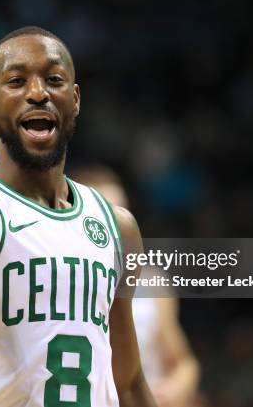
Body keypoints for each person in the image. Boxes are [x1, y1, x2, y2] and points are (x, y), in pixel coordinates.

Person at [0, 26, 155, 407]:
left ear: (75, 99)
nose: (37, 93)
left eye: (53, 80)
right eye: (17, 81)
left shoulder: (118, 227)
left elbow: (129, 380)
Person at [71, 167, 200, 407]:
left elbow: (183, 363)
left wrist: (174, 390)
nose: (117, 225)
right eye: (105, 215)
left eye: (122, 212)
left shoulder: (152, 282)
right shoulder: (55, 281)